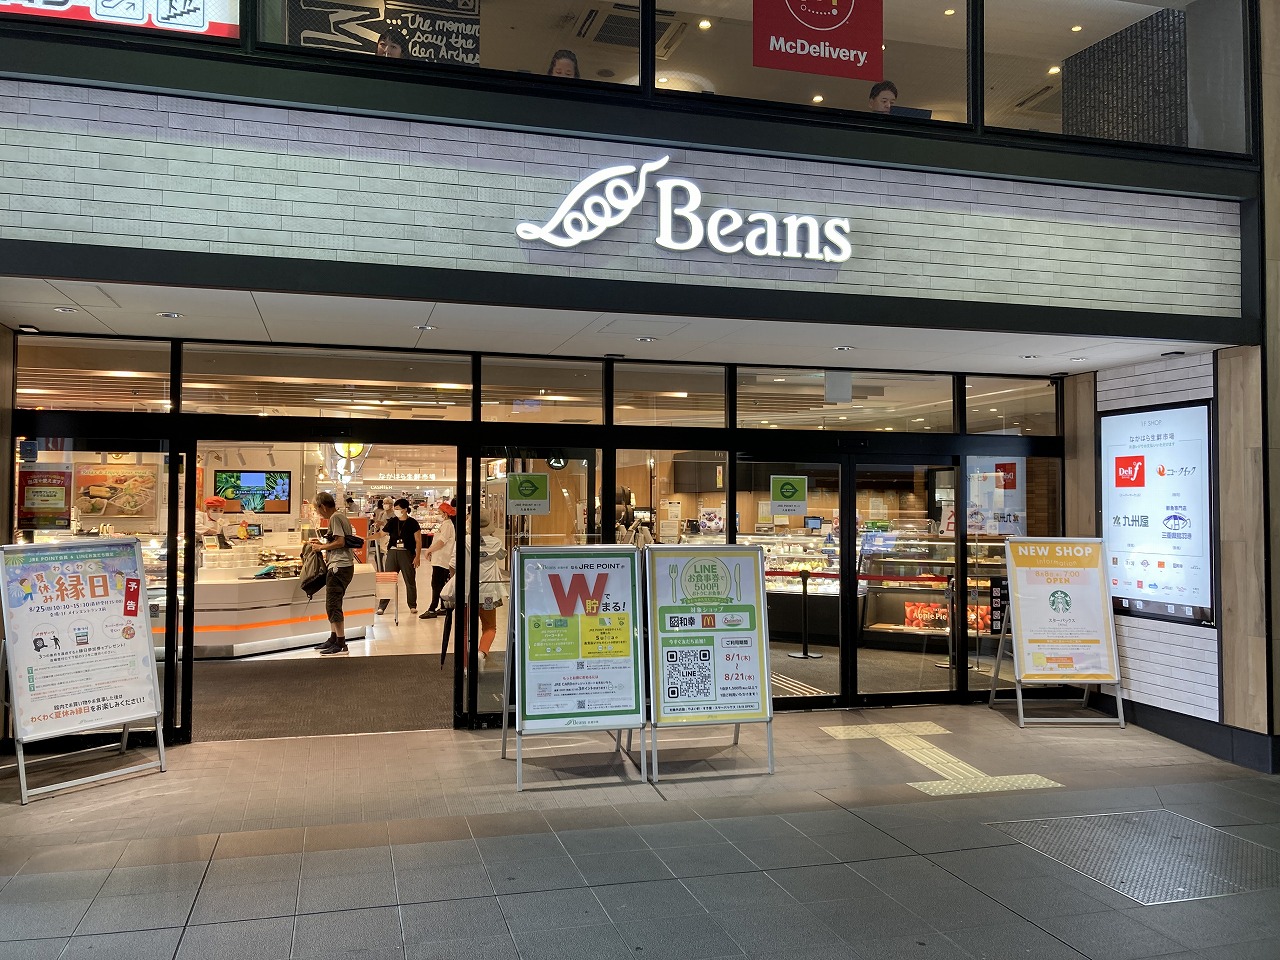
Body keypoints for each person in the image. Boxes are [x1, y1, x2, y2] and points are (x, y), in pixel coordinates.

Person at [460, 506, 508, 671]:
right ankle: (481, 654)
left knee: (465, 629)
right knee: (489, 627)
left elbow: (453, 564)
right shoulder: (496, 543)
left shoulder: (465, 541)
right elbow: (502, 554)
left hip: (467, 592)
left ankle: (465, 664)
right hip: (489, 593)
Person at [309, 491, 356, 655]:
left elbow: (340, 542)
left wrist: (321, 547)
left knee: (333, 605)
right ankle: (333, 638)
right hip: (343, 565)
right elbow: (338, 540)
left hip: (339, 567)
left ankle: (341, 643)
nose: (318, 513)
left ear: (322, 506)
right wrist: (323, 543)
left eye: (317, 509)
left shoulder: (335, 518)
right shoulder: (340, 516)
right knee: (332, 604)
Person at [378, 497, 421, 614]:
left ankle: (412, 605)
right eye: (395, 508)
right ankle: (382, 606)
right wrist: (367, 538)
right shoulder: (393, 521)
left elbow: (418, 540)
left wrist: (417, 556)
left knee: (410, 580)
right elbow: (382, 534)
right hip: (392, 552)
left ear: (405, 509)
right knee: (388, 579)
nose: (395, 510)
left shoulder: (413, 523)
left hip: (407, 553)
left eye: (398, 508)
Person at [419, 498, 456, 619]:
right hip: (440, 558)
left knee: (436, 583)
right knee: (440, 583)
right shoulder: (446, 525)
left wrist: (429, 550)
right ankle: (443, 607)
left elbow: (441, 542)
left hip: (442, 559)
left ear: (445, 514)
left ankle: (432, 608)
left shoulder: (447, 525)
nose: (438, 514)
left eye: (439, 512)